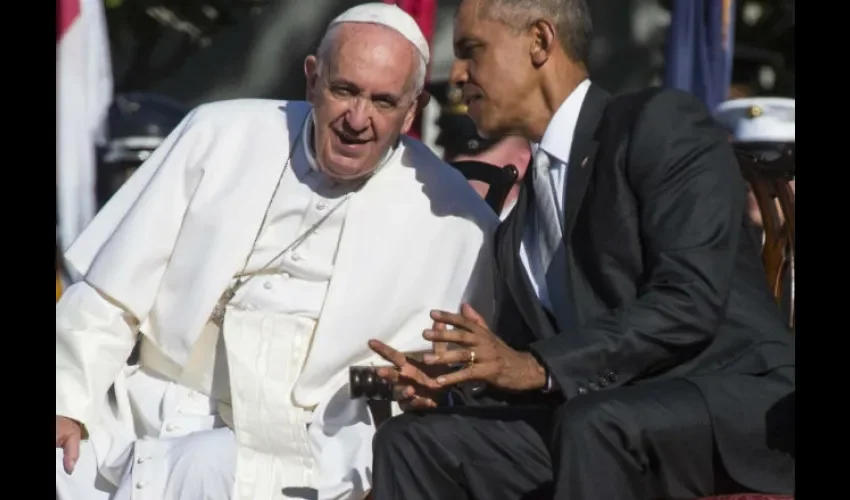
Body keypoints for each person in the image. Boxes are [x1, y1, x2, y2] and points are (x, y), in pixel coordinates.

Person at [55, 3, 497, 500]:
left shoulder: (453, 219)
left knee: (203, 467)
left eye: (383, 102)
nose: (358, 119)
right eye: (344, 90)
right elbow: (107, 296)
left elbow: (443, 377)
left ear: (412, 110)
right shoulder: (217, 135)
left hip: (299, 446)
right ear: (312, 80)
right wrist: (68, 400)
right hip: (141, 407)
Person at [368, 1, 795, 499]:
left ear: (540, 42)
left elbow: (690, 299)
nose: (457, 75)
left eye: (471, 51)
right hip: (603, 421)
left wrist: (538, 366)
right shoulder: (516, 225)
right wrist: (464, 383)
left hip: (737, 406)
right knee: (414, 442)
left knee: (594, 425)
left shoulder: (659, 122)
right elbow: (537, 363)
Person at [434, 83, 531, 219]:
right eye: (451, 149)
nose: (457, 162)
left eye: (473, 149)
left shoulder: (540, 233)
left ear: (522, 158)